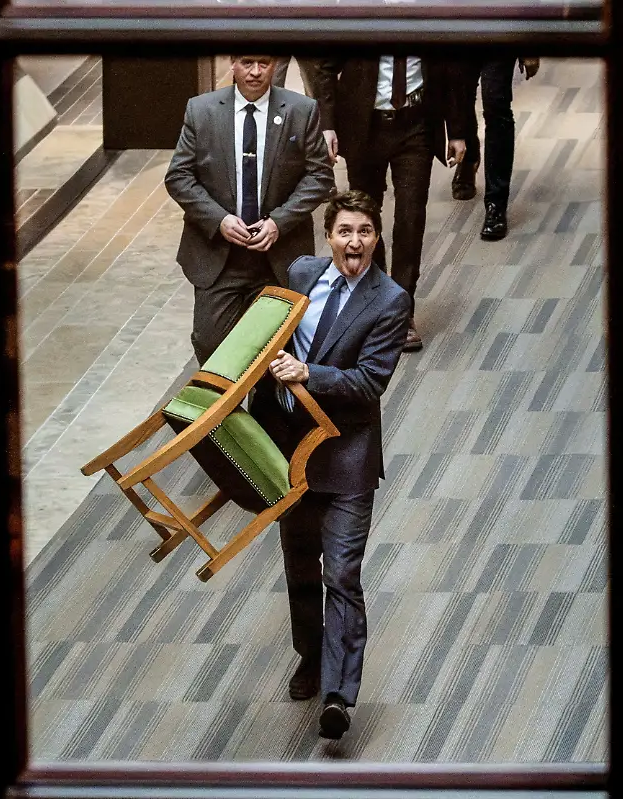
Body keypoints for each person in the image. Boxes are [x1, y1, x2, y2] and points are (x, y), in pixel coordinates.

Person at [251, 190, 410, 740]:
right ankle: (311, 658)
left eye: (365, 231)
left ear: (377, 237)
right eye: (346, 231)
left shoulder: (390, 300)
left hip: (346, 458)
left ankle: (340, 696)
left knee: (340, 573)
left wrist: (307, 374)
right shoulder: (301, 274)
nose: (355, 242)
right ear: (329, 236)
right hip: (290, 456)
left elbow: (369, 385)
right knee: (299, 568)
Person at [165, 55, 334, 366]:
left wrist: (278, 222)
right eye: (247, 62)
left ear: (274, 65)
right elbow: (179, 176)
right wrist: (219, 220)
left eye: (264, 63)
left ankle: (264, 413)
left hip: (277, 257)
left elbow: (320, 176)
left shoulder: (301, 110)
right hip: (220, 256)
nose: (256, 72)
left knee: (276, 353)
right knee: (210, 344)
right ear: (232, 63)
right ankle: (229, 414)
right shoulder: (201, 110)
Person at [311, 56, 472, 352]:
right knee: (365, 217)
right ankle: (376, 297)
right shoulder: (361, 10)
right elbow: (325, 68)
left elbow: (452, 69)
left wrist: (458, 130)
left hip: (416, 126)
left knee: (411, 217)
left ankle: (401, 309)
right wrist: (328, 124)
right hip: (365, 126)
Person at [451, 57, 541, 241]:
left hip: (500, 35)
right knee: (459, 100)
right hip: (460, 33)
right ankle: (469, 158)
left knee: (496, 104)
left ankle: (496, 203)